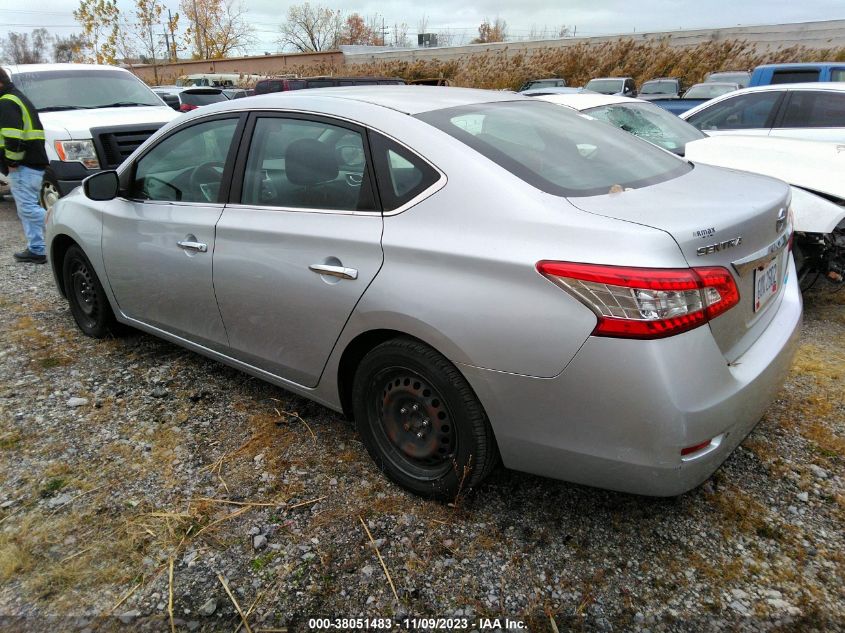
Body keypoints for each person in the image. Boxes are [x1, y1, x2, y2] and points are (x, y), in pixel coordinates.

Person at [0, 68, 48, 264]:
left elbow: (13, 135)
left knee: (28, 209)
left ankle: (69, 226)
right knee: (26, 207)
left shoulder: (6, 101)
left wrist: (12, 161)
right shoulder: (16, 97)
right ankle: (37, 249)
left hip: (22, 164)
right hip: (31, 162)